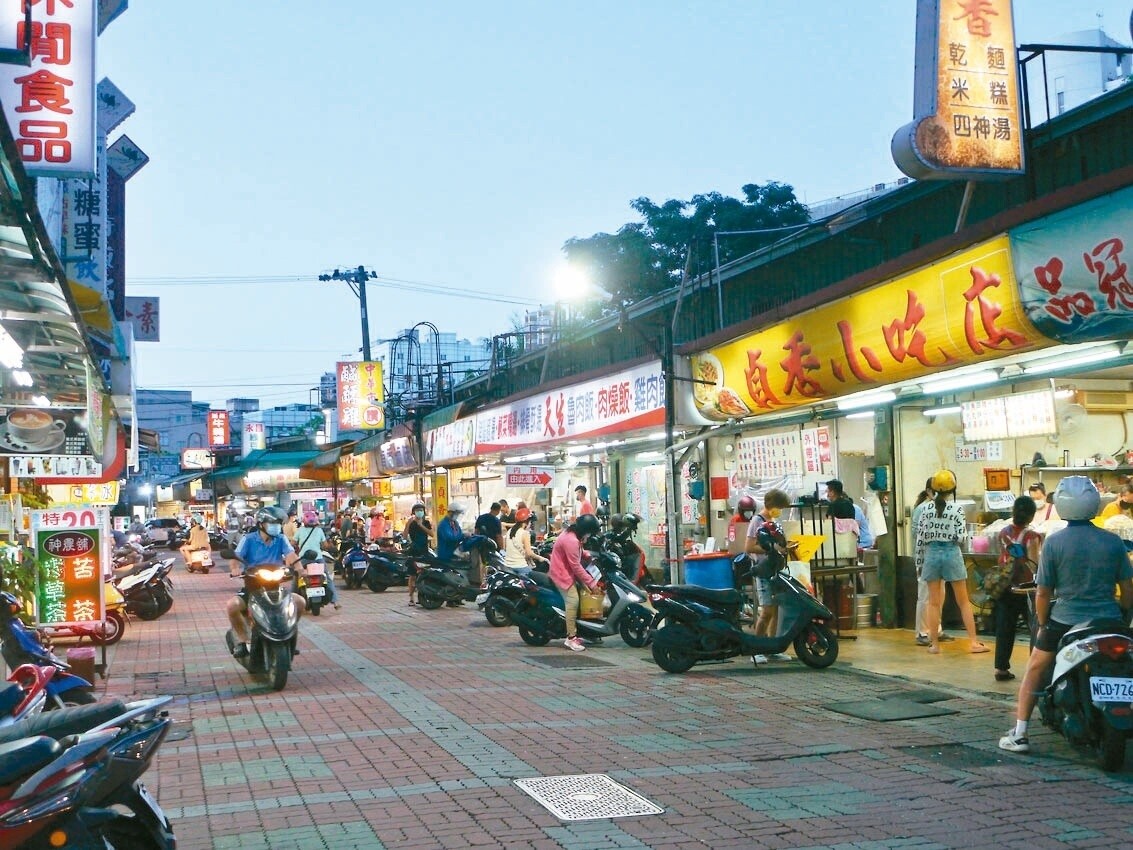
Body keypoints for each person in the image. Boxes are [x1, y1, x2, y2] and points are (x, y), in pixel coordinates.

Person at [999, 476, 1133, 753]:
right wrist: (1123, 615)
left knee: (1035, 667)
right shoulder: (1113, 542)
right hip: (1109, 620)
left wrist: (1043, 621)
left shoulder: (1055, 543)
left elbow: (1044, 591)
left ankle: (1020, 732)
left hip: (1066, 620)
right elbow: (1128, 588)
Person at [917, 469, 989, 655]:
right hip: (951, 553)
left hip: (931, 554)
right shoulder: (956, 509)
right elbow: (962, 537)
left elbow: (921, 537)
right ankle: (973, 643)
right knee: (963, 601)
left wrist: (919, 563)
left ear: (933, 488)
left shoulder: (925, 509)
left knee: (933, 603)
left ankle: (934, 645)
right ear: (952, 489)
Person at [226, 506, 305, 659]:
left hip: (275, 586)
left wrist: (300, 568)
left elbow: (291, 555)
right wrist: (235, 568)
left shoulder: (280, 539)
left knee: (300, 602)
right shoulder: (248, 539)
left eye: (278, 523)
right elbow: (235, 558)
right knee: (232, 606)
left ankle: (288, 635)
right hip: (253, 586)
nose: (276, 526)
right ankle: (244, 641)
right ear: (261, 524)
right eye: (272, 523)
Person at [991, 496, 1041, 682]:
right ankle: (1035, 668)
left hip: (1006, 586)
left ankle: (1001, 669)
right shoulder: (1031, 537)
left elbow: (1002, 557)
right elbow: (1034, 564)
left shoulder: (1003, 532)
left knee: (1005, 627)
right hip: (1025, 589)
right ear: (1031, 515)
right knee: (1035, 628)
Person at [744, 489, 795, 664]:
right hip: (764, 571)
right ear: (772, 505)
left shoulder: (773, 521)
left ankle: (773, 648)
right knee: (766, 611)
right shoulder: (757, 521)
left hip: (775, 571)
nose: (780, 511)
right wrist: (772, 549)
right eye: (779, 507)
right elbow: (749, 547)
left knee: (775, 610)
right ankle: (756, 649)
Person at [549, 513, 602, 652]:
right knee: (573, 601)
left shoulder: (573, 534)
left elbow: (578, 551)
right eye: (590, 533)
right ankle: (571, 638)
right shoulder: (571, 540)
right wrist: (592, 584)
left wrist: (588, 555)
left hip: (567, 571)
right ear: (586, 530)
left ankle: (587, 632)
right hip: (562, 574)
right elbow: (576, 567)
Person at [911, 478, 951, 647]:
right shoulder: (922, 509)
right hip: (925, 558)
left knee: (939, 595)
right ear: (929, 491)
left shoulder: (942, 507)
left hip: (939, 557)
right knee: (926, 596)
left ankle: (935, 629)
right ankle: (922, 632)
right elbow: (917, 537)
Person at [293, 509, 339, 610]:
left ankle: (292, 601)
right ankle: (335, 601)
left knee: (296, 577)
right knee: (327, 577)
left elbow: (293, 543)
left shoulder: (300, 531)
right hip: (318, 559)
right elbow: (325, 545)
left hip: (304, 559)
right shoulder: (319, 531)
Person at [404, 502, 434, 606]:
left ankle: (422, 595)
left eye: (421, 510)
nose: (419, 512)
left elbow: (431, 534)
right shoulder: (411, 523)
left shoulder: (426, 522)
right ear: (413, 512)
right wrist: (408, 524)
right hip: (414, 551)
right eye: (417, 511)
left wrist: (421, 525)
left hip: (424, 551)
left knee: (424, 574)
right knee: (412, 575)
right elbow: (404, 536)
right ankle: (411, 597)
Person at [503, 507, 547, 574]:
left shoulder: (509, 531)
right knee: (537, 582)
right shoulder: (525, 533)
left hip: (507, 567)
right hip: (520, 567)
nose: (531, 524)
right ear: (527, 522)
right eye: (530, 522)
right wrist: (540, 558)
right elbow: (529, 553)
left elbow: (505, 548)